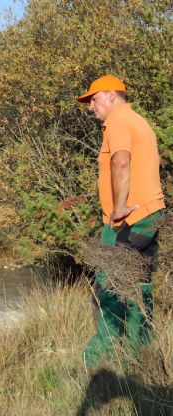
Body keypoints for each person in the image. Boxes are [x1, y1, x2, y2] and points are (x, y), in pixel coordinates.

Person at [77, 75, 166, 367]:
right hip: (151, 214)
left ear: (112, 96)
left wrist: (119, 207)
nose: (91, 106)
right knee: (139, 283)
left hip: (129, 219)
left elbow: (122, 161)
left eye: (94, 99)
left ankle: (100, 354)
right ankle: (140, 352)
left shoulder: (117, 121)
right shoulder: (138, 121)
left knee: (110, 282)